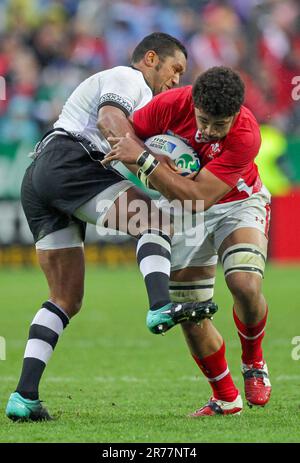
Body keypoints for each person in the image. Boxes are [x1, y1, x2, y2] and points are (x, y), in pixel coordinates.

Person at [5, 33, 217, 422]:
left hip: (41, 175)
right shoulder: (128, 78)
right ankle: (159, 305)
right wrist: (152, 165)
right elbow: (108, 120)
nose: (176, 80)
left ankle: (24, 396)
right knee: (154, 220)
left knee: (65, 298)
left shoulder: (144, 100)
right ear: (151, 58)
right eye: (175, 69)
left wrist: (153, 166)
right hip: (72, 161)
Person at [103, 66, 272, 417]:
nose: (209, 131)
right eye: (203, 120)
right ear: (192, 102)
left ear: (236, 115)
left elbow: (197, 195)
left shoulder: (246, 134)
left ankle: (253, 361)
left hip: (236, 204)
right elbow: (126, 137)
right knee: (190, 313)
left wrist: (147, 162)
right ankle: (226, 398)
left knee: (243, 283)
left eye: (218, 125)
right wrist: (143, 162)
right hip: (181, 213)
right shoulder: (169, 104)